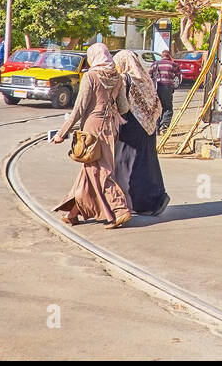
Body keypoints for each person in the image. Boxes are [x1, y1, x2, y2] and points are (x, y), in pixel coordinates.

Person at [51, 43, 132, 229]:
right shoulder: (117, 78)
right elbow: (124, 108)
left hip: (92, 130)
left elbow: (79, 108)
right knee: (90, 170)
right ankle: (73, 213)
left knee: (101, 171)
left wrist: (62, 133)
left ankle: (120, 209)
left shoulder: (90, 76)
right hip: (111, 128)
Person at [113, 50, 170, 217]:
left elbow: (122, 106)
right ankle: (156, 199)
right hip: (149, 126)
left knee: (125, 164)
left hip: (131, 126)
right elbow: (157, 103)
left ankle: (130, 202)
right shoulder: (144, 78)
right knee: (147, 162)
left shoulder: (124, 79)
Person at [150, 50, 180, 132]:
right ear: (169, 56)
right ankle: (164, 126)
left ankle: (156, 128)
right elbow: (178, 76)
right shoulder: (173, 64)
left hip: (156, 88)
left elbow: (149, 76)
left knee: (156, 108)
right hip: (167, 88)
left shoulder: (155, 64)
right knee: (167, 107)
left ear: (161, 56)